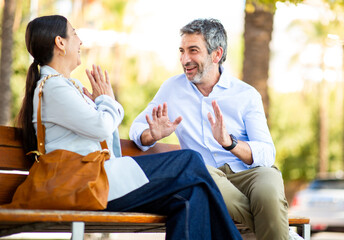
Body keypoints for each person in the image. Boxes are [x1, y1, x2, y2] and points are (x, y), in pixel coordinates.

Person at [17, 15, 242, 240]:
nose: (80, 41)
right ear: (60, 43)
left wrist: (105, 104)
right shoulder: (54, 87)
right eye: (74, 33)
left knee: (192, 194)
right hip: (86, 185)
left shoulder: (69, 86)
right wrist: (106, 101)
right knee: (190, 160)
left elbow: (108, 136)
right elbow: (101, 126)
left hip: (101, 179)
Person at [130, 18, 303, 240]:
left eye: (193, 51)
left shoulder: (245, 94)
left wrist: (230, 143)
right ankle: (284, 235)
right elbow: (138, 127)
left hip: (249, 174)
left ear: (217, 54)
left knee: (269, 189)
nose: (185, 59)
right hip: (205, 174)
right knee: (204, 177)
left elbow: (266, 154)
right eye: (182, 51)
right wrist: (150, 135)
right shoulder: (172, 89)